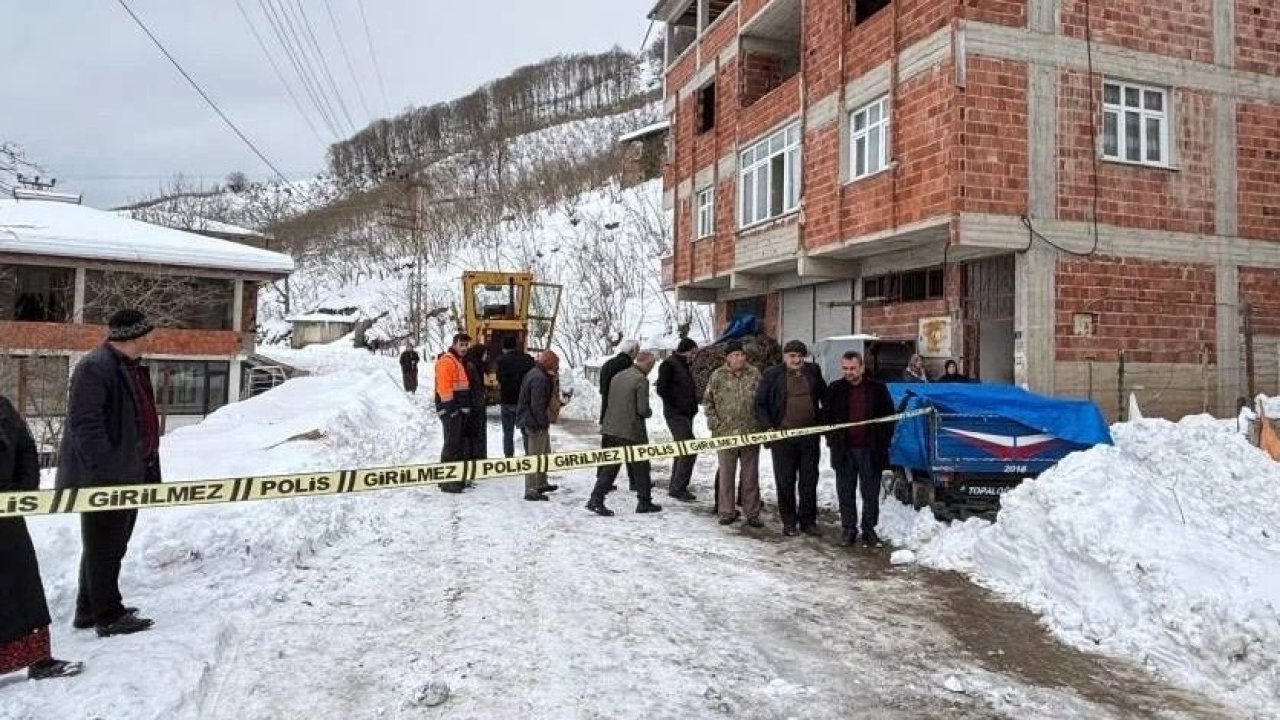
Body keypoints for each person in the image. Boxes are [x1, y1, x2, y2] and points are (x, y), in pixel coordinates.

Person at [56, 308, 158, 637]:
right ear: (131, 336)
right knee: (105, 546)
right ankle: (108, 614)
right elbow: (85, 426)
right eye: (145, 335)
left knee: (110, 544)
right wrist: (108, 471)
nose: (149, 340)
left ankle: (88, 609)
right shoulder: (95, 367)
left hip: (128, 473)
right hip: (105, 478)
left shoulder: (130, 367)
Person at [1, 396, 83, 680]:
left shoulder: (2, 408)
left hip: (7, 519)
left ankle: (38, 659)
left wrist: (22, 489)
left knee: (23, 587)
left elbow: (25, 447)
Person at [822, 351, 896, 547]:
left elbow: (889, 417)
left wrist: (882, 440)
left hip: (870, 451)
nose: (849, 372)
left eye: (853, 368)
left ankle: (869, 529)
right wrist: (833, 439)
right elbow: (826, 418)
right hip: (844, 450)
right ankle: (848, 529)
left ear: (862, 368)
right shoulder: (835, 389)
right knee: (845, 492)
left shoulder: (877, 389)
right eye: (845, 368)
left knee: (870, 493)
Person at [755, 339, 825, 537]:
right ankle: (789, 522)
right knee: (785, 481)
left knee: (809, 481)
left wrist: (824, 420)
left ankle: (808, 521)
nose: (797, 360)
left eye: (800, 356)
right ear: (784, 356)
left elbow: (825, 396)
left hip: (809, 438)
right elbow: (760, 404)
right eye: (792, 356)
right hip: (783, 438)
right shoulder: (772, 374)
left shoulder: (813, 371)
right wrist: (769, 427)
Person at [587, 352, 662, 516]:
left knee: (611, 466)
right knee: (641, 466)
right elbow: (642, 409)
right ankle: (644, 501)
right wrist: (649, 412)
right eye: (651, 366)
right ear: (647, 364)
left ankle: (596, 498)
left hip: (611, 427)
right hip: (630, 430)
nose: (651, 369)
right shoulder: (641, 380)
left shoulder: (618, 376)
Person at [702, 341, 763, 527]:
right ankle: (726, 511)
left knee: (750, 477)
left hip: (750, 433)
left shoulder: (754, 374)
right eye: (736, 355)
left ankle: (752, 513)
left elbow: (763, 399)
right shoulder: (717, 376)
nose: (740, 358)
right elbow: (708, 401)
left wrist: (761, 422)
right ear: (727, 358)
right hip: (725, 434)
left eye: (742, 354)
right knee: (726, 476)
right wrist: (714, 422)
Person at [655, 337, 699, 502]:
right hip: (676, 414)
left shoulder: (685, 365)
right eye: (694, 352)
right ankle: (678, 488)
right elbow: (661, 389)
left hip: (686, 414)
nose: (695, 355)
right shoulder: (669, 365)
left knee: (682, 449)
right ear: (688, 351)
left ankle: (676, 485)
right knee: (689, 449)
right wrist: (676, 404)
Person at [515, 350, 561, 501]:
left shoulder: (537, 373)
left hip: (531, 420)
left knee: (543, 454)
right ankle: (531, 489)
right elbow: (537, 406)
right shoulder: (539, 379)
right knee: (534, 457)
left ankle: (541, 482)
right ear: (548, 363)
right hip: (534, 424)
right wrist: (542, 424)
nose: (556, 369)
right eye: (555, 365)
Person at [434, 333, 473, 494]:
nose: (464, 348)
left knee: (456, 444)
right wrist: (453, 411)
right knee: (451, 445)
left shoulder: (457, 361)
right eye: (461, 345)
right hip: (450, 411)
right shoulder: (447, 361)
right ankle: (447, 481)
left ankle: (454, 478)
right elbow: (444, 389)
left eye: (466, 345)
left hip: (455, 411)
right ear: (454, 344)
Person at [496, 336, 535, 458]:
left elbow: (499, 379)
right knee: (526, 432)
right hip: (524, 401)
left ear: (504, 348)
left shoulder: (501, 360)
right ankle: (529, 455)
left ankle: (509, 457)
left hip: (507, 401)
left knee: (508, 433)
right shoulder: (528, 359)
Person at [598, 339, 639, 423]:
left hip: (606, 408)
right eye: (637, 351)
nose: (638, 354)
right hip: (619, 410)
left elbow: (603, 388)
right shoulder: (627, 365)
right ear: (631, 351)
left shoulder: (608, 363)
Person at [461, 344, 489, 467]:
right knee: (475, 435)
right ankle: (476, 461)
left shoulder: (477, 365)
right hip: (474, 408)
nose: (486, 356)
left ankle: (478, 460)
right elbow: (472, 388)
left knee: (477, 435)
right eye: (485, 353)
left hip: (477, 406)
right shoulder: (471, 366)